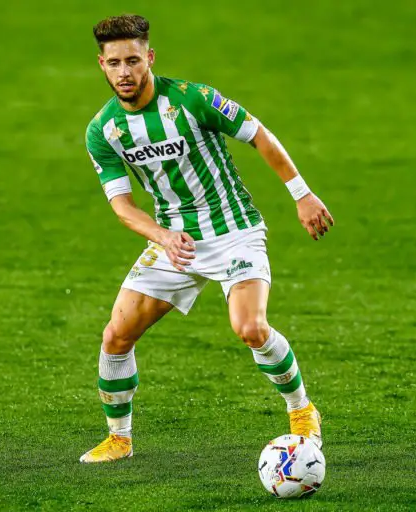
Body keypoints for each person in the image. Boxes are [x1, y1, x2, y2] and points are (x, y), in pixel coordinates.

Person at [81, 14, 334, 463]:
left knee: (250, 328)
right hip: (175, 241)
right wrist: (163, 236)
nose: (124, 72)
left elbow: (258, 135)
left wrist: (303, 194)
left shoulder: (193, 99)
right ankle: (119, 439)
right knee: (116, 335)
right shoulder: (104, 131)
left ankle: (301, 410)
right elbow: (122, 206)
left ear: (149, 58)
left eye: (133, 60)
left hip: (234, 231)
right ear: (102, 64)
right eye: (114, 63)